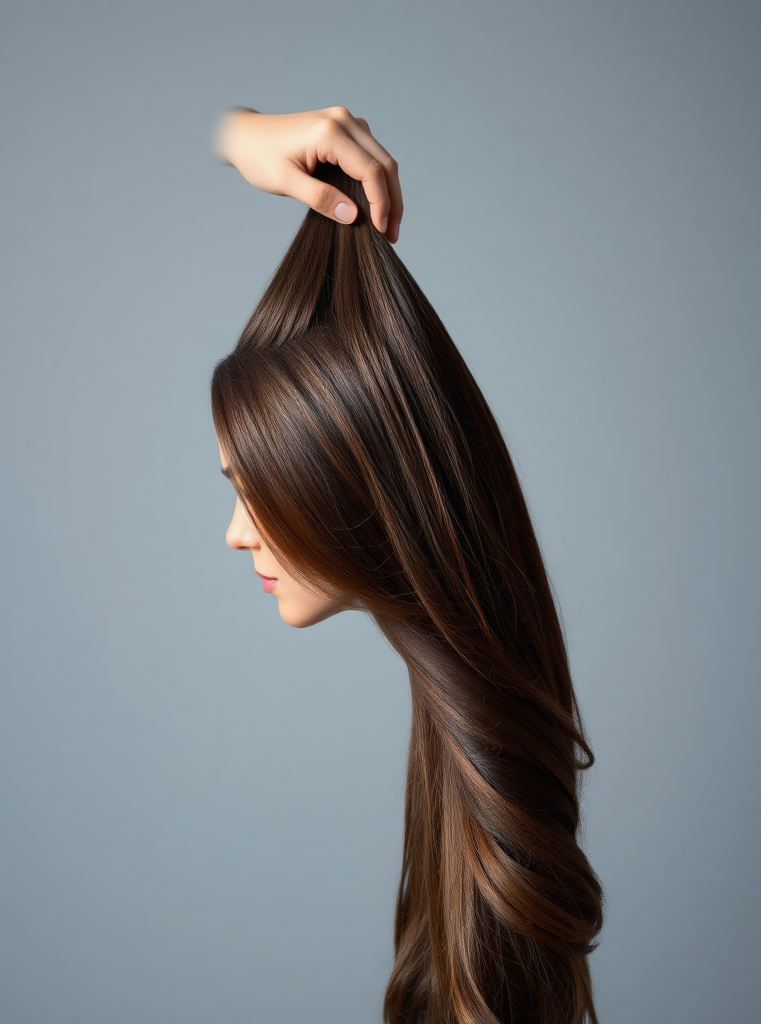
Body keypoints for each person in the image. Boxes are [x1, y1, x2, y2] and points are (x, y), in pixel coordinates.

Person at [213, 106, 603, 1024]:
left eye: (254, 488)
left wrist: (226, 131)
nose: (235, 533)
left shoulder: (485, 788)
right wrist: (231, 133)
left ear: (353, 485)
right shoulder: (467, 744)